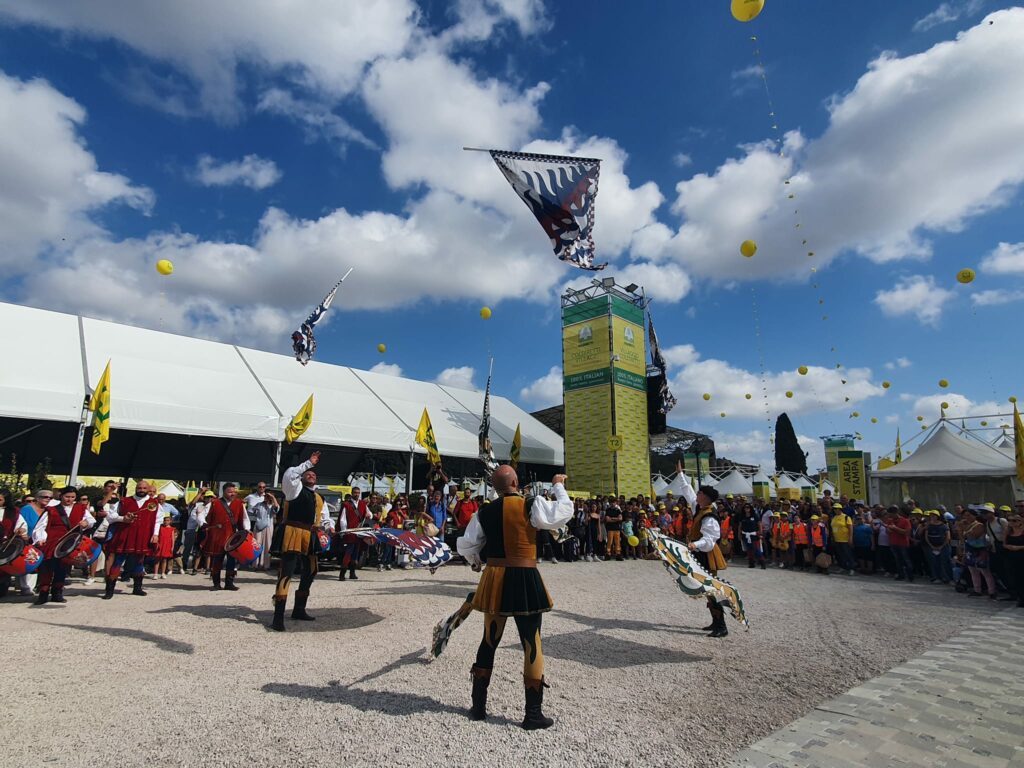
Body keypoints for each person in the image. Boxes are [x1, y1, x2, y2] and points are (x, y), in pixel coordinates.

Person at [457, 467, 572, 729]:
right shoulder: (531, 504)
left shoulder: (484, 511)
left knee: (489, 640)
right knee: (532, 643)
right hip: (524, 577)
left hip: (495, 577)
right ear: (516, 482)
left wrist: (475, 561)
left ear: (495, 487)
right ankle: (532, 715)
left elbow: (467, 545)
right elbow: (563, 513)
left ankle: (478, 707)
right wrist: (557, 485)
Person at [272, 451, 333, 631]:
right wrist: (309, 463)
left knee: (312, 571)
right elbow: (290, 474)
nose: (311, 475)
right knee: (287, 572)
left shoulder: (319, 497)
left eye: (314, 474)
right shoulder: (294, 489)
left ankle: (299, 609)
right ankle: (278, 617)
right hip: (293, 532)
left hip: (311, 534)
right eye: (308, 473)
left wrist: (330, 528)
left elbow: (324, 517)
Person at [32, 486, 95, 604]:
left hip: (69, 543)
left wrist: (86, 523)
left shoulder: (81, 508)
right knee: (47, 568)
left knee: (62, 568)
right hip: (52, 542)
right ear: (61, 496)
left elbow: (91, 521)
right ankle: (43, 593)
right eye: (67, 496)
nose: (69, 499)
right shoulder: (51, 509)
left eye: (72, 497)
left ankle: (57, 593)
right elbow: (41, 526)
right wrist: (40, 538)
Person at [684, 485, 729, 638]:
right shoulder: (700, 509)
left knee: (710, 589)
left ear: (705, 496)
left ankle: (721, 625)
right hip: (700, 552)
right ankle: (716, 621)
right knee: (706, 590)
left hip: (707, 554)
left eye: (699, 493)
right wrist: (681, 475)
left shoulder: (709, 516)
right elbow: (689, 494)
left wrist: (695, 544)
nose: (696, 494)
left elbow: (710, 539)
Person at [103, 481, 161, 599]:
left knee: (139, 560)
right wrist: (122, 518)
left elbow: (158, 520)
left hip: (143, 535)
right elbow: (110, 516)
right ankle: (109, 590)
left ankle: (137, 588)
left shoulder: (154, 503)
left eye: (144, 488)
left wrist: (155, 534)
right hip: (125, 535)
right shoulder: (124, 501)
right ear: (135, 488)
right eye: (139, 488)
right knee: (118, 561)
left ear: (148, 489)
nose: (141, 490)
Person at [199, 483, 249, 591]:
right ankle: (216, 583)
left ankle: (229, 583)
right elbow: (200, 514)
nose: (233, 494)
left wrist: (246, 530)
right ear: (224, 492)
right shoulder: (215, 503)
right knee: (217, 559)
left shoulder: (239, 503)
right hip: (217, 536)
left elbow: (245, 518)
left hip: (233, 536)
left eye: (234, 492)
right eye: (230, 492)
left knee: (232, 560)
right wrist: (203, 524)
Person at [0, 488, 30, 598]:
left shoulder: (13, 512)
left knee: (3, 571)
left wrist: (20, 530)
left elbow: (21, 525)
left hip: (5, 545)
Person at [338, 487, 372, 580]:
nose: (357, 494)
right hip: (349, 532)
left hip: (358, 532)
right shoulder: (347, 504)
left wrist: (369, 515)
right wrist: (344, 531)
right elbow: (343, 519)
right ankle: (342, 574)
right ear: (352, 493)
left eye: (358, 493)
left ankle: (352, 573)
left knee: (356, 553)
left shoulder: (362, 503)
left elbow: (370, 514)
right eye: (355, 493)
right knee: (348, 553)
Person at [250, 489, 278, 571]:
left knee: (267, 546)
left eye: (268, 496)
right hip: (258, 526)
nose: (267, 497)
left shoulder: (273, 506)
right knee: (256, 545)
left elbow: (276, 508)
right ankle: (255, 565)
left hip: (268, 527)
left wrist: (273, 498)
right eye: (266, 496)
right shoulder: (259, 504)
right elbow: (251, 511)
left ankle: (265, 565)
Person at [1001, 510, 1024, 607]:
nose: (1012, 523)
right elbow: (1004, 543)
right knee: (1015, 577)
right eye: (1010, 520)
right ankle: (1020, 597)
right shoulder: (1008, 531)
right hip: (1011, 556)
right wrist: (1009, 547)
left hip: (1022, 556)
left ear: (1020, 521)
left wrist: (1018, 547)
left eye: (1015, 520)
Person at [154, 514, 176, 579]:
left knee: (164, 559)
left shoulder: (172, 529)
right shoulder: (160, 528)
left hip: (167, 545)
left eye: (168, 520)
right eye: (165, 520)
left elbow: (172, 538)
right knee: (157, 559)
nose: (166, 522)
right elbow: (157, 536)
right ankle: (155, 574)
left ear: (170, 521)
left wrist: (172, 547)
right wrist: (157, 544)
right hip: (160, 544)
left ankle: (163, 573)